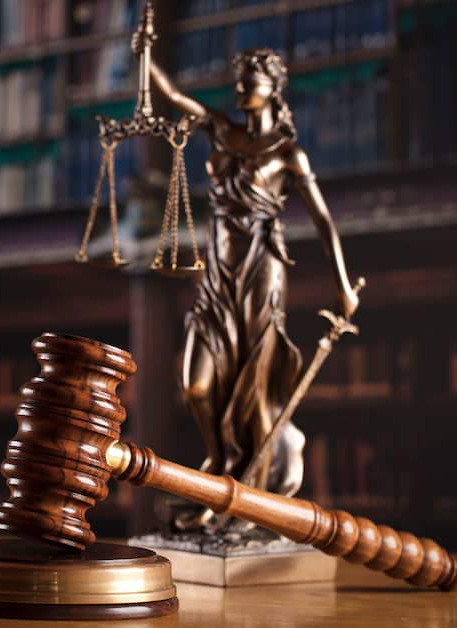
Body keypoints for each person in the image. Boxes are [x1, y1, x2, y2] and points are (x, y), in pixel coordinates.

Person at [134, 37, 362, 533]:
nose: (240, 90)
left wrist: (343, 285)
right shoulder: (220, 130)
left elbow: (322, 220)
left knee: (254, 389)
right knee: (196, 385)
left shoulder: (288, 154)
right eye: (238, 82)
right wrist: (146, 56)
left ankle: (245, 492)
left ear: (273, 88)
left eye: (250, 82)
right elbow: (174, 99)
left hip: (261, 270)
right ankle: (220, 462)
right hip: (218, 273)